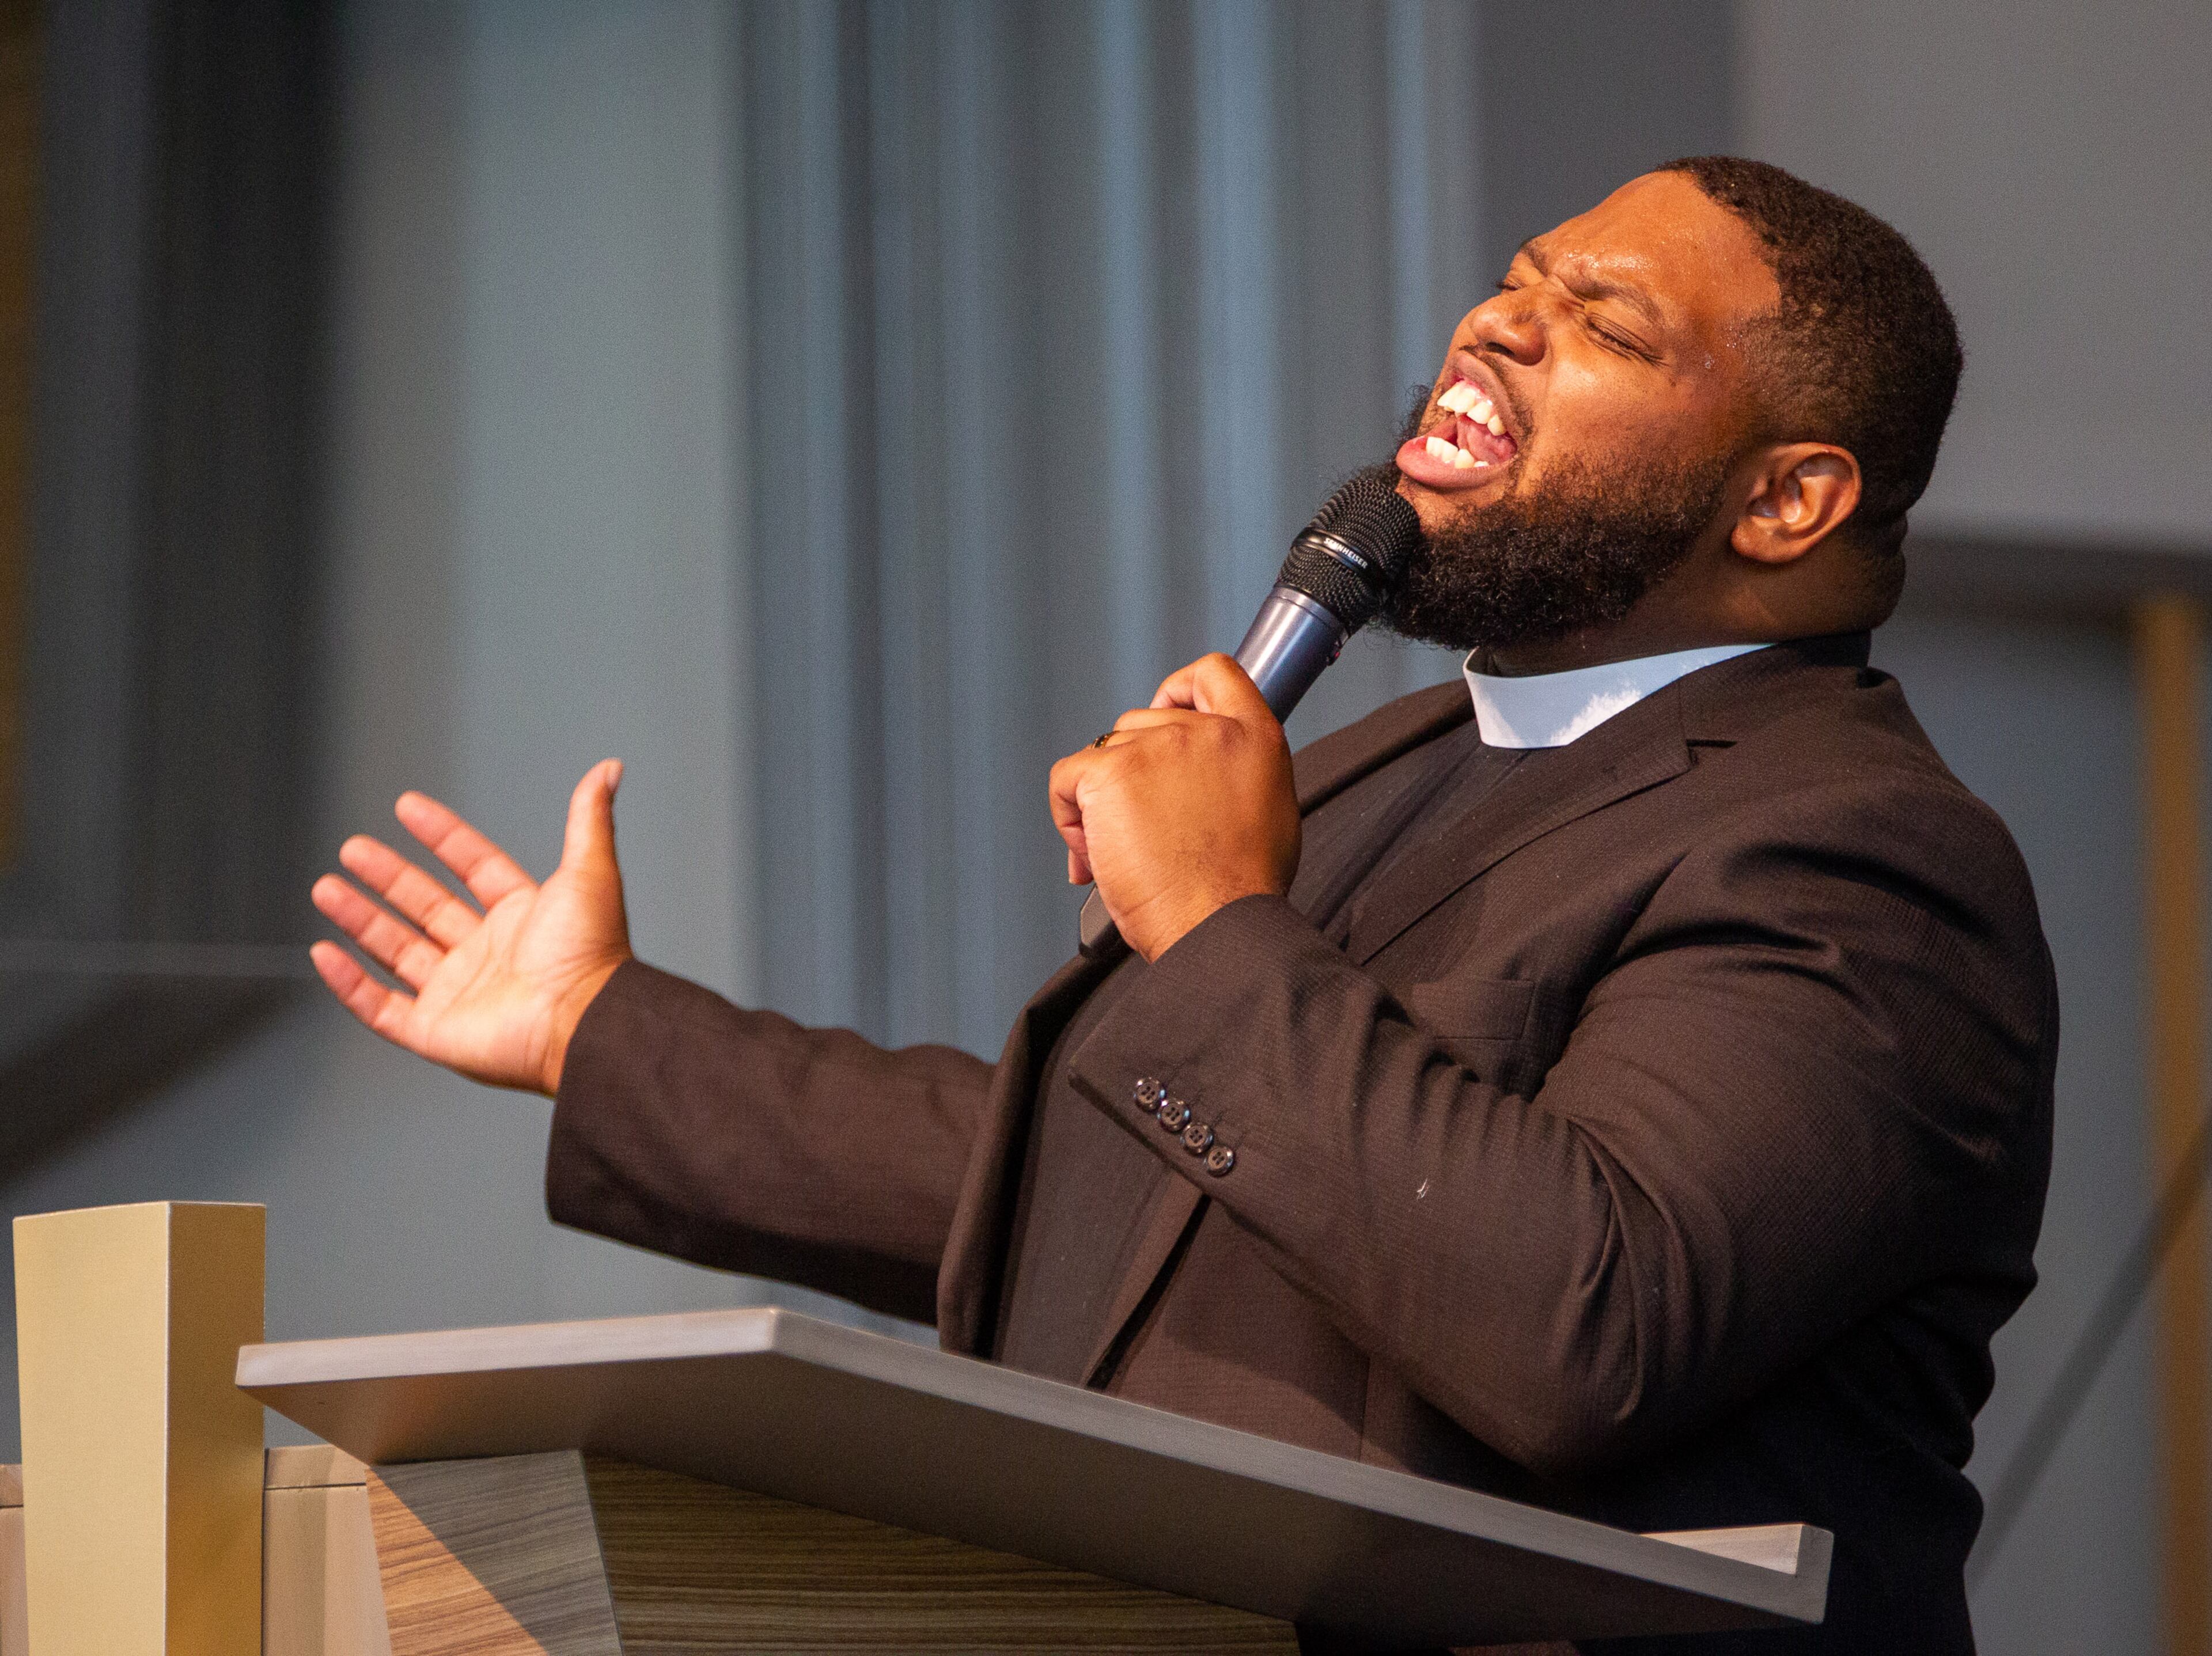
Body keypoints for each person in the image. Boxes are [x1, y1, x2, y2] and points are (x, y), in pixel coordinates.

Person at [309, 157, 2054, 1655]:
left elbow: (1581, 1311)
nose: (1498, 324)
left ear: (1788, 497)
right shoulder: (1395, 760)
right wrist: (598, 1033)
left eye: (1603, 324)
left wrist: (1221, 922)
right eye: (1517, 280)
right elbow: (1091, 1183)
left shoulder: (1861, 854)